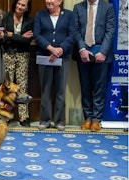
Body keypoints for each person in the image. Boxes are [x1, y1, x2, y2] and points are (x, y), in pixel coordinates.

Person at [73, 0, 115, 132]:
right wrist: (82, 50)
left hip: (101, 53)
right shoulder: (78, 7)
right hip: (83, 53)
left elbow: (110, 31)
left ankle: (96, 119)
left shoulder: (108, 7)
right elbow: (75, 31)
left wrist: (103, 52)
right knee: (85, 87)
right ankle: (88, 118)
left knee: (99, 88)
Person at [33, 0, 75, 131]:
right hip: (45, 56)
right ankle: (44, 120)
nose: (49, 1)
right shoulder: (40, 15)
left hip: (63, 57)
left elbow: (72, 35)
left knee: (60, 90)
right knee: (45, 90)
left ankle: (60, 121)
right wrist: (51, 49)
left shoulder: (69, 15)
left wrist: (60, 49)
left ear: (60, 1)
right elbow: (37, 35)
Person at [2, 0, 34, 127]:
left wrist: (12, 35)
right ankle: (5, 114)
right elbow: (4, 38)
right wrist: (19, 36)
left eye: (23, 5)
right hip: (7, 54)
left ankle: (23, 117)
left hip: (23, 55)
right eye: (18, 4)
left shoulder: (30, 21)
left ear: (27, 8)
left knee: (22, 85)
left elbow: (27, 41)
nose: (20, 7)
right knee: (7, 85)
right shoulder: (6, 17)